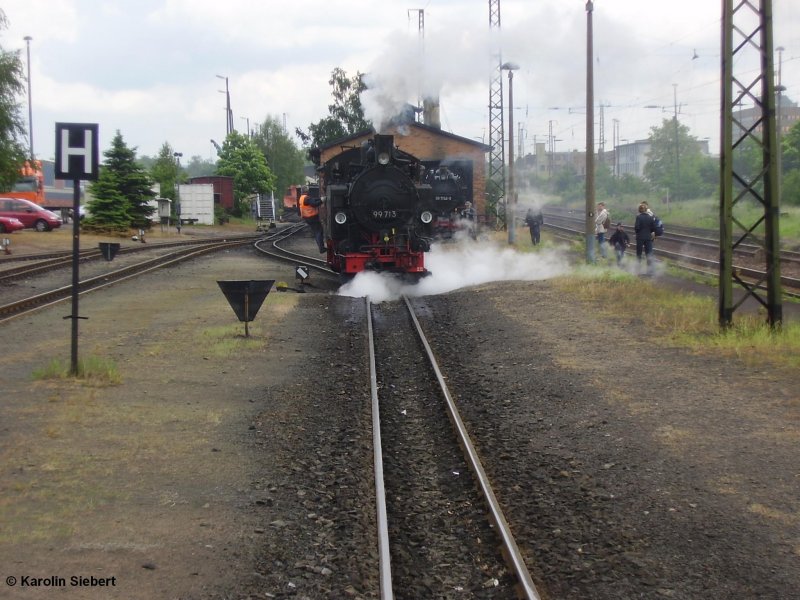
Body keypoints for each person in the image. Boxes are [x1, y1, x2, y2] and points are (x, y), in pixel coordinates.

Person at [634, 202, 656, 274]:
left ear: (639, 210)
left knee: (639, 254)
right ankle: (650, 271)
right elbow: (653, 228)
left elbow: (637, 227)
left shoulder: (638, 217)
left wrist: (638, 233)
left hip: (640, 237)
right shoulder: (650, 217)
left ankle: (638, 270)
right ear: (646, 210)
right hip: (648, 238)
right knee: (649, 254)